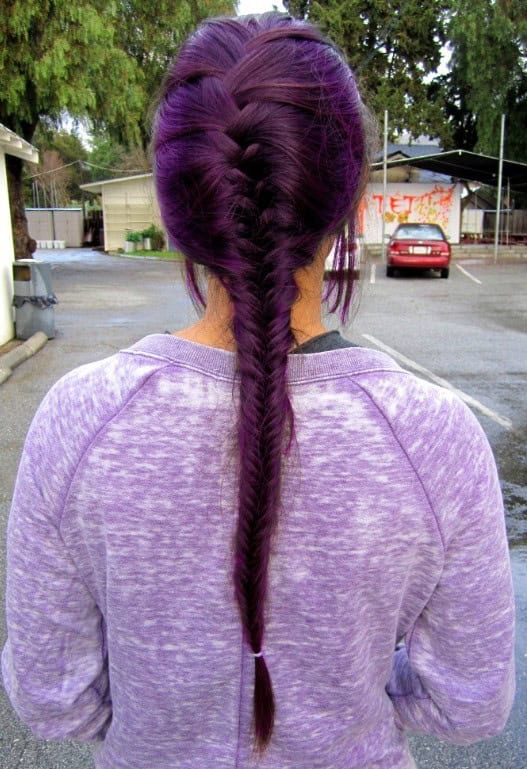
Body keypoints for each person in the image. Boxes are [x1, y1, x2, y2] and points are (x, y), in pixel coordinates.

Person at [2, 13, 515, 769]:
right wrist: (352, 695)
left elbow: (54, 698)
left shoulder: (81, 422)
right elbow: (466, 703)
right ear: (345, 202)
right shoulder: (433, 437)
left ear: (180, 210)